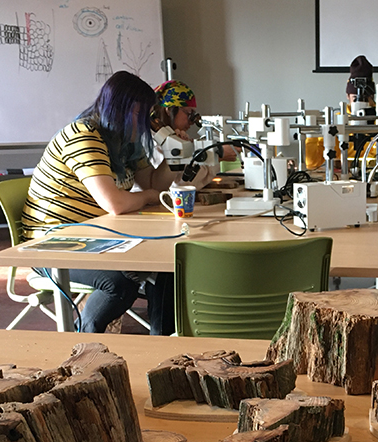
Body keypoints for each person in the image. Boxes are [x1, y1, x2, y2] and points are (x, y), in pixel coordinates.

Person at [21, 70, 177, 335]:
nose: (146, 124)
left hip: (98, 234)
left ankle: (161, 345)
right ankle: (85, 341)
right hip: (54, 241)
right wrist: (150, 198)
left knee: (170, 265)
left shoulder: (123, 141)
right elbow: (115, 202)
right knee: (120, 281)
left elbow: (152, 182)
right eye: (142, 115)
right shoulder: (84, 135)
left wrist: (176, 155)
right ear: (120, 110)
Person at [151, 79, 237, 188]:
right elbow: (179, 184)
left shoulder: (176, 136)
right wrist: (216, 156)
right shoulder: (156, 141)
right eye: (189, 113)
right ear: (169, 110)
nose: (192, 121)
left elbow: (189, 171)